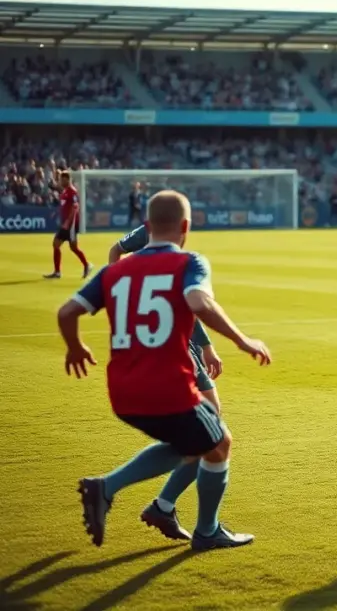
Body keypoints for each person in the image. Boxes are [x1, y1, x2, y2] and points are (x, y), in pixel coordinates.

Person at [56, 190, 272, 551]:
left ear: (148, 226)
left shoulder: (114, 271)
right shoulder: (190, 262)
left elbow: (66, 313)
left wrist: (76, 347)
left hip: (122, 395)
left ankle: (148, 503)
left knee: (191, 445)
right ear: (185, 226)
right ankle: (205, 531)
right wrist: (242, 340)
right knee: (219, 443)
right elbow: (199, 302)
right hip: (167, 386)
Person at [108, 223, 226, 541]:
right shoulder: (157, 235)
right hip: (172, 342)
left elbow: (116, 251)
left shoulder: (157, 237)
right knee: (213, 435)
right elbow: (191, 301)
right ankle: (137, 496)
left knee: (211, 434)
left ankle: (163, 504)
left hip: (170, 337)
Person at [44, 170, 93, 280]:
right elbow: (64, 206)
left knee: (73, 247)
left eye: (62, 179)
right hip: (65, 224)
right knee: (56, 244)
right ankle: (57, 272)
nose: (60, 181)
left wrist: (67, 222)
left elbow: (75, 207)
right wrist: (56, 213)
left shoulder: (72, 192)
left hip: (71, 225)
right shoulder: (65, 191)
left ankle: (87, 265)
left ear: (67, 179)